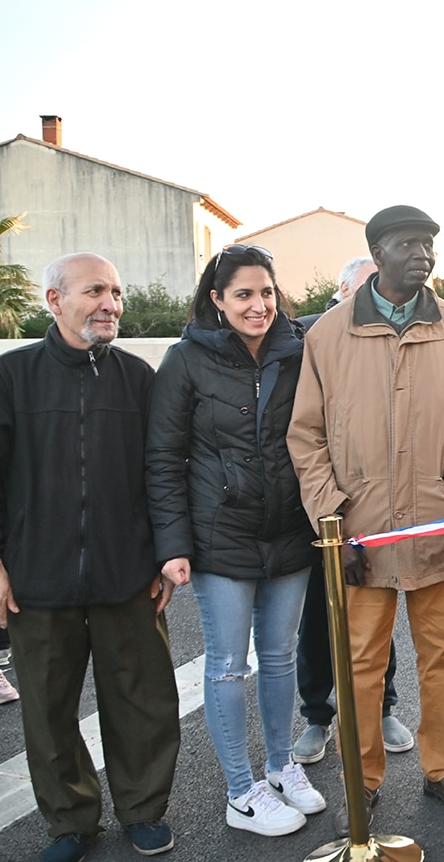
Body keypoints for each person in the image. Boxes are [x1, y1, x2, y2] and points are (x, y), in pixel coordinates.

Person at [288, 205, 444, 837]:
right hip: (360, 530)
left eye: (429, 245)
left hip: (439, 523)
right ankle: (360, 782)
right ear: (378, 253)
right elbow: (305, 437)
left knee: (443, 656)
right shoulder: (328, 336)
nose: (423, 254)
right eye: (408, 244)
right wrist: (334, 520)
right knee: (359, 663)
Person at [0, 253, 180, 862]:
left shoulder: (137, 378)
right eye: (95, 290)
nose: (111, 304)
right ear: (54, 300)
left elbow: (162, 472)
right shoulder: (9, 378)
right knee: (47, 710)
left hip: (128, 575)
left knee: (144, 701)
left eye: (118, 293)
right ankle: (71, 822)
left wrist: (164, 552)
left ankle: (144, 811)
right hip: (35, 579)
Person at [146, 244, 325, 838]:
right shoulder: (185, 361)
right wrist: (173, 545)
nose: (259, 305)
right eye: (244, 294)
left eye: (267, 292)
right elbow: (163, 459)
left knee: (279, 657)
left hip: (289, 533)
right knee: (226, 666)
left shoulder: (301, 353)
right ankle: (240, 791)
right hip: (221, 537)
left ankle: (280, 768)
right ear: (217, 300)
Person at [291, 254, 414, 765]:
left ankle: (381, 707)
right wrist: (325, 504)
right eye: (366, 285)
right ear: (342, 291)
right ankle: (318, 716)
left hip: (379, 509)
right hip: (320, 506)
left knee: (377, 617)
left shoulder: (396, 335)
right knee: (320, 620)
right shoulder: (306, 337)